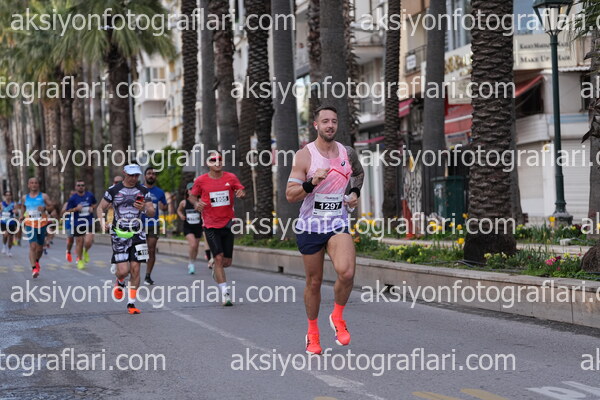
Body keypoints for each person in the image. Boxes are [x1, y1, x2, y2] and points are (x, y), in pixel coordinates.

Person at [286, 105, 364, 355]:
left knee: (347, 272)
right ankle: (312, 333)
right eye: (325, 121)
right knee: (314, 282)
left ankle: (337, 316)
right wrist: (311, 182)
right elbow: (290, 195)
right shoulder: (304, 156)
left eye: (334, 121)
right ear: (316, 125)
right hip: (310, 226)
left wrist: (354, 192)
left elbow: (359, 174)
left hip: (337, 223)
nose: (330, 125)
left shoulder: (347, 152)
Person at [188, 152, 245, 306]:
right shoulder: (201, 180)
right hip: (210, 224)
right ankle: (225, 294)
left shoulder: (230, 177)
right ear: (208, 163)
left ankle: (216, 267)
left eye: (220, 159)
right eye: (213, 160)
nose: (217, 162)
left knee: (227, 262)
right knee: (218, 257)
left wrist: (241, 193)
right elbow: (192, 196)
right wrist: (196, 203)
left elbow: (241, 190)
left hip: (227, 223)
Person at [97, 165, 154, 315]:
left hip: (138, 234)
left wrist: (144, 208)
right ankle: (120, 281)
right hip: (119, 234)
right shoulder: (113, 190)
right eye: (131, 175)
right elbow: (100, 208)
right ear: (124, 173)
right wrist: (102, 222)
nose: (134, 178)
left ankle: (131, 303)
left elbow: (152, 211)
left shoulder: (143, 190)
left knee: (136, 269)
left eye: (136, 175)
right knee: (123, 271)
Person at [21, 177, 54, 279]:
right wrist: (22, 216)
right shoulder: (25, 197)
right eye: (31, 183)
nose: (34, 184)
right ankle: (34, 268)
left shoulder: (43, 196)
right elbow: (23, 207)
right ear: (28, 185)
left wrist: (45, 208)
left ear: (38, 185)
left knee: (39, 249)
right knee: (33, 246)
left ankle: (36, 261)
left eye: (35, 183)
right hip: (30, 224)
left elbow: (51, 206)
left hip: (42, 224)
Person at [142, 167, 167, 285]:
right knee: (138, 249)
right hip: (138, 224)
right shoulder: (138, 189)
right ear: (145, 176)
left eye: (153, 174)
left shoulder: (160, 192)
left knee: (151, 249)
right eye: (149, 173)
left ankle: (147, 275)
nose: (151, 175)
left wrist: (163, 206)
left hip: (153, 224)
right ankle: (133, 271)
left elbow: (165, 206)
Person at [64, 181, 97, 270]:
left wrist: (92, 208)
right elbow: (67, 210)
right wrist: (76, 209)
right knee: (79, 242)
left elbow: (94, 204)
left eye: (82, 185)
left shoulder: (90, 195)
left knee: (88, 241)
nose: (80, 187)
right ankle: (80, 260)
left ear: (84, 186)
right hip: (77, 223)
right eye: (78, 185)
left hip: (89, 221)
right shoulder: (73, 198)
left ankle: (85, 251)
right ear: (76, 187)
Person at [177, 183, 207, 275]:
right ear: (187, 191)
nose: (192, 191)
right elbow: (179, 210)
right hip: (188, 227)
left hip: (198, 227)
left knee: (196, 247)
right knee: (193, 244)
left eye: (194, 189)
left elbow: (206, 210)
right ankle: (190, 263)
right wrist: (181, 215)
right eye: (190, 189)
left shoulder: (200, 201)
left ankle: (193, 262)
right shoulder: (184, 202)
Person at [108, 176, 123, 275]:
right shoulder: (110, 190)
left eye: (119, 182)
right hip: (112, 221)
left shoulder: (128, 190)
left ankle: (123, 265)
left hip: (127, 222)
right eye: (115, 182)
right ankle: (114, 262)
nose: (117, 184)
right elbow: (106, 205)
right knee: (116, 244)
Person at [0, 191, 19, 257]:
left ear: (11, 196)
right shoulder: (1, 204)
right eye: (6, 195)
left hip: (11, 222)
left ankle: (9, 250)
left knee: (10, 237)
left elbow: (17, 213)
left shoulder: (14, 204)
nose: (8, 196)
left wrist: (16, 212)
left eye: (9, 195)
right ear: (5, 196)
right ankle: (4, 246)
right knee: (5, 234)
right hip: (3, 222)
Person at [62, 191, 76, 263]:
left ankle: (79, 257)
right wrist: (69, 210)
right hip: (69, 223)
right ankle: (68, 251)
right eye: (71, 194)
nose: (73, 196)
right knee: (71, 239)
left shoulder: (79, 203)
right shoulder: (67, 204)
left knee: (80, 239)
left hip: (79, 223)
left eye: (74, 194)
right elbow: (62, 213)